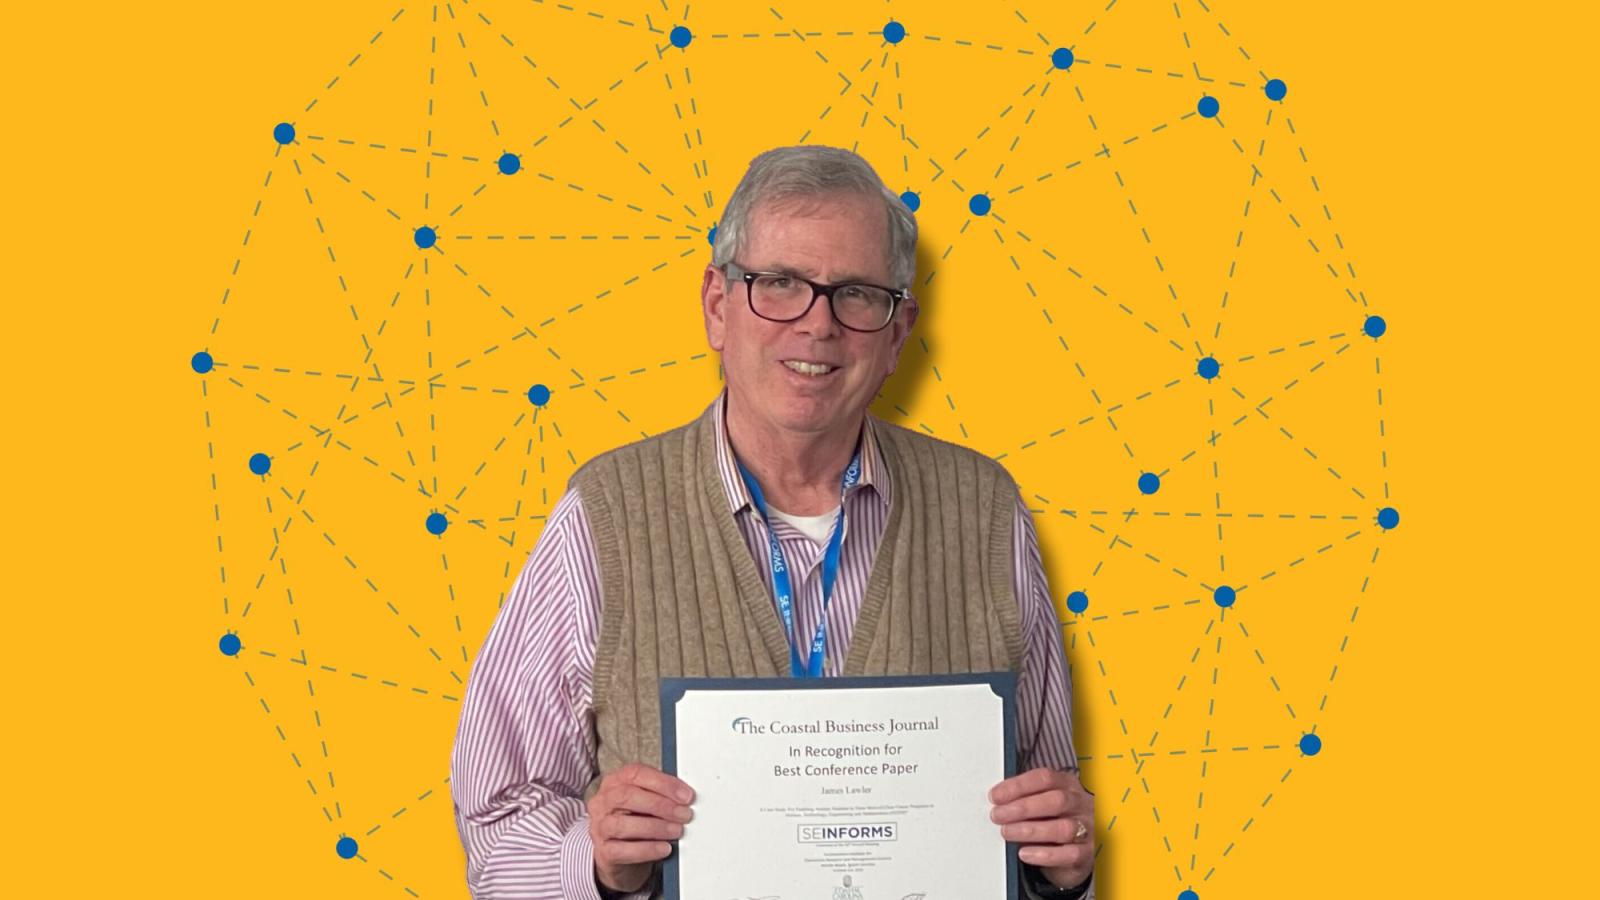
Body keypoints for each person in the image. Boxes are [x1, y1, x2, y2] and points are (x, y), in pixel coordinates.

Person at [451, 145, 1096, 899]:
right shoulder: (603, 517)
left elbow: (1048, 817)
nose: (817, 325)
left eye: (856, 293)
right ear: (718, 307)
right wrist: (593, 866)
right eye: (780, 284)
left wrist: (1063, 867)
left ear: (897, 331)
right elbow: (496, 822)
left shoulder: (987, 512)